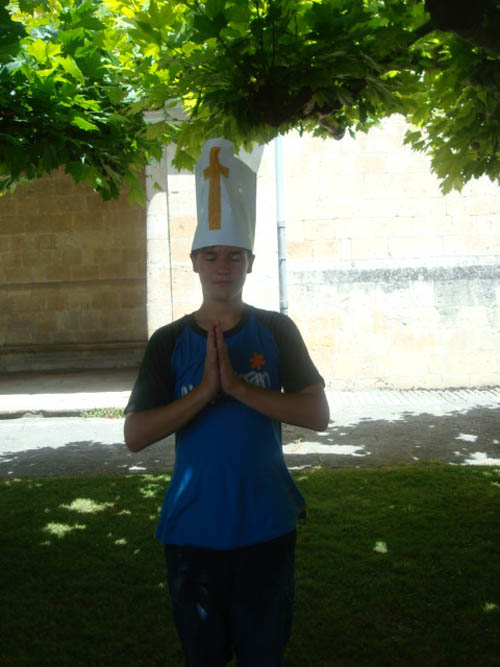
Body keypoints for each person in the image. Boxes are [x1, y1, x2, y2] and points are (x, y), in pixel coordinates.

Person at [124, 138, 330, 667]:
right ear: (194, 262)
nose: (223, 266)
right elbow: (135, 436)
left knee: (264, 655)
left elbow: (317, 415)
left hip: (266, 525)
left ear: (250, 262)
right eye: (212, 256)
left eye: (234, 256)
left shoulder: (277, 331)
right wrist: (203, 394)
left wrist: (239, 389)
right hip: (193, 530)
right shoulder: (168, 342)